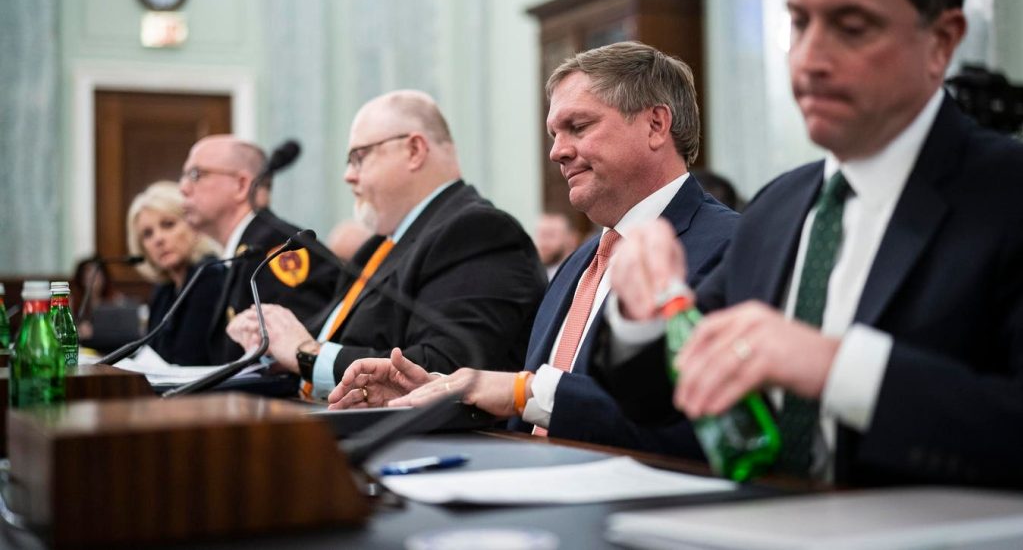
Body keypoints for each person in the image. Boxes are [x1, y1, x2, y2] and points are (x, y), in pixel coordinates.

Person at [599, 0, 1023, 487]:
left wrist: (836, 367)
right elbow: (656, 401)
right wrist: (641, 313)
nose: (809, 59)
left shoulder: (1007, 196)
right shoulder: (779, 206)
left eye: (851, 27)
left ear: (941, 42)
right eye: (799, 23)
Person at [330, 43, 738, 457]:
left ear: (655, 125)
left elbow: (701, 421)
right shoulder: (579, 263)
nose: (557, 151)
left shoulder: (731, 246)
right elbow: (531, 411)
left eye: (578, 126)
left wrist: (522, 391)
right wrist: (442, 397)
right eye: (554, 134)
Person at [226, 90, 547, 399]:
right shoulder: (379, 245)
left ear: (414, 150)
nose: (348, 176)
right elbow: (328, 337)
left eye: (358, 157)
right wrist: (271, 341)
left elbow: (446, 369)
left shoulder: (476, 230)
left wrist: (306, 354)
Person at [179, 135, 339, 363]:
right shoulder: (248, 249)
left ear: (241, 185)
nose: (183, 188)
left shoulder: (277, 249)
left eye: (196, 174)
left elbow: (301, 351)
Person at [126, 181, 223, 365]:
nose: (158, 239)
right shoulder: (164, 289)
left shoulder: (210, 275)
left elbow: (189, 360)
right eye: (147, 234)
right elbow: (153, 354)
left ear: (194, 225)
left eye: (168, 224)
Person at [534, 212, 581, 280]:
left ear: (572, 239)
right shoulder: (534, 274)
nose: (544, 242)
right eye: (541, 235)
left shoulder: (579, 275)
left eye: (551, 235)